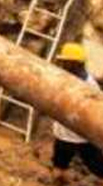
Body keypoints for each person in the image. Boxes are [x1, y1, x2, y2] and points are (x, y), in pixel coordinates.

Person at [50, 42, 103, 183]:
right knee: (59, 166)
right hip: (63, 133)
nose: (63, 64)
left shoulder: (90, 86)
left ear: (76, 63)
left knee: (97, 167)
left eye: (66, 62)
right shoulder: (64, 77)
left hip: (82, 135)